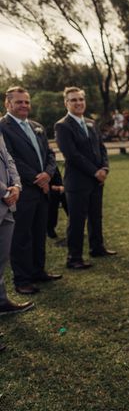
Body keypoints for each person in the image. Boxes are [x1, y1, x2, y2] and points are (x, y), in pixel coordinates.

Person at [0, 86, 60, 295]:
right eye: (19, 102)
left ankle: (38, 271)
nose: (24, 105)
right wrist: (37, 178)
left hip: (43, 189)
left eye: (26, 101)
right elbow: (11, 159)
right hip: (22, 190)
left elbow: (50, 154)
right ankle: (23, 279)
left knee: (38, 233)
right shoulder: (3, 127)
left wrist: (48, 174)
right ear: (8, 104)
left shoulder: (37, 126)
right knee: (21, 237)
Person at [54, 87, 116, 270]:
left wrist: (104, 168)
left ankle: (97, 248)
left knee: (96, 216)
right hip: (77, 182)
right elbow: (72, 154)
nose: (78, 103)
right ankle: (74, 258)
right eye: (73, 100)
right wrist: (94, 171)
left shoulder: (91, 122)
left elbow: (101, 147)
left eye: (81, 99)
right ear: (66, 103)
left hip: (97, 180)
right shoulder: (62, 126)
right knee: (77, 220)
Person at [0, 131, 33, 321]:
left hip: (7, 205)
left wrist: (17, 185)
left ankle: (2, 301)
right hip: (4, 196)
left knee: (2, 260)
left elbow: (8, 159)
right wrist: (4, 191)